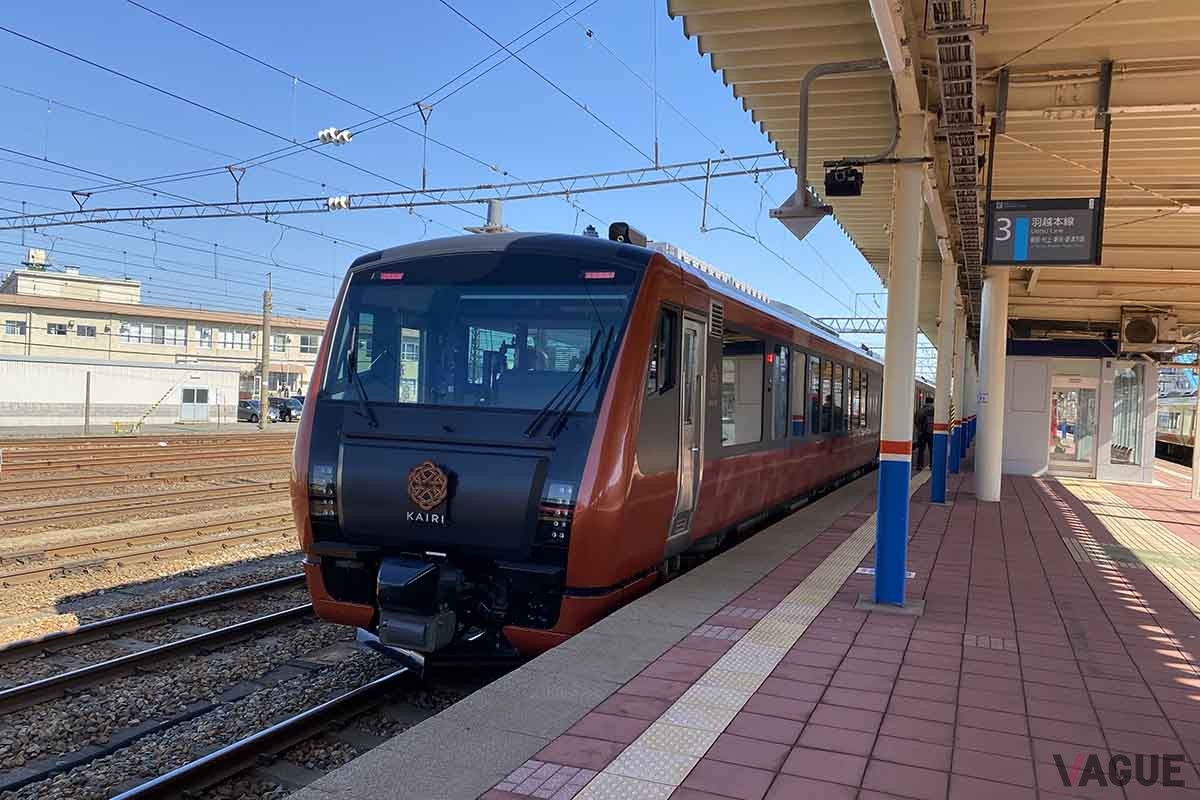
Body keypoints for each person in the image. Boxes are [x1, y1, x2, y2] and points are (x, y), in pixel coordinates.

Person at [914, 396, 934, 470]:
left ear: (925, 401)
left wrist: (920, 429)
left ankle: (919, 465)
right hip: (931, 433)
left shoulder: (920, 410)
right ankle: (932, 465)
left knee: (921, 450)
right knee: (932, 450)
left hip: (922, 433)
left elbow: (916, 420)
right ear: (932, 402)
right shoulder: (935, 410)